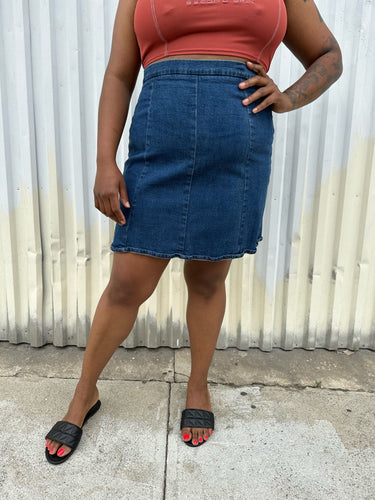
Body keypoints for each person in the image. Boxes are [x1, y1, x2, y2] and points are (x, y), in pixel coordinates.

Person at [45, 0, 342, 463]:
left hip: (235, 152)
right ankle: (84, 393)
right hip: (156, 147)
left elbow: (329, 56)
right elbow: (120, 74)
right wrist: (106, 162)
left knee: (207, 280)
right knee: (127, 284)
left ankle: (197, 386)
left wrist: (288, 96)